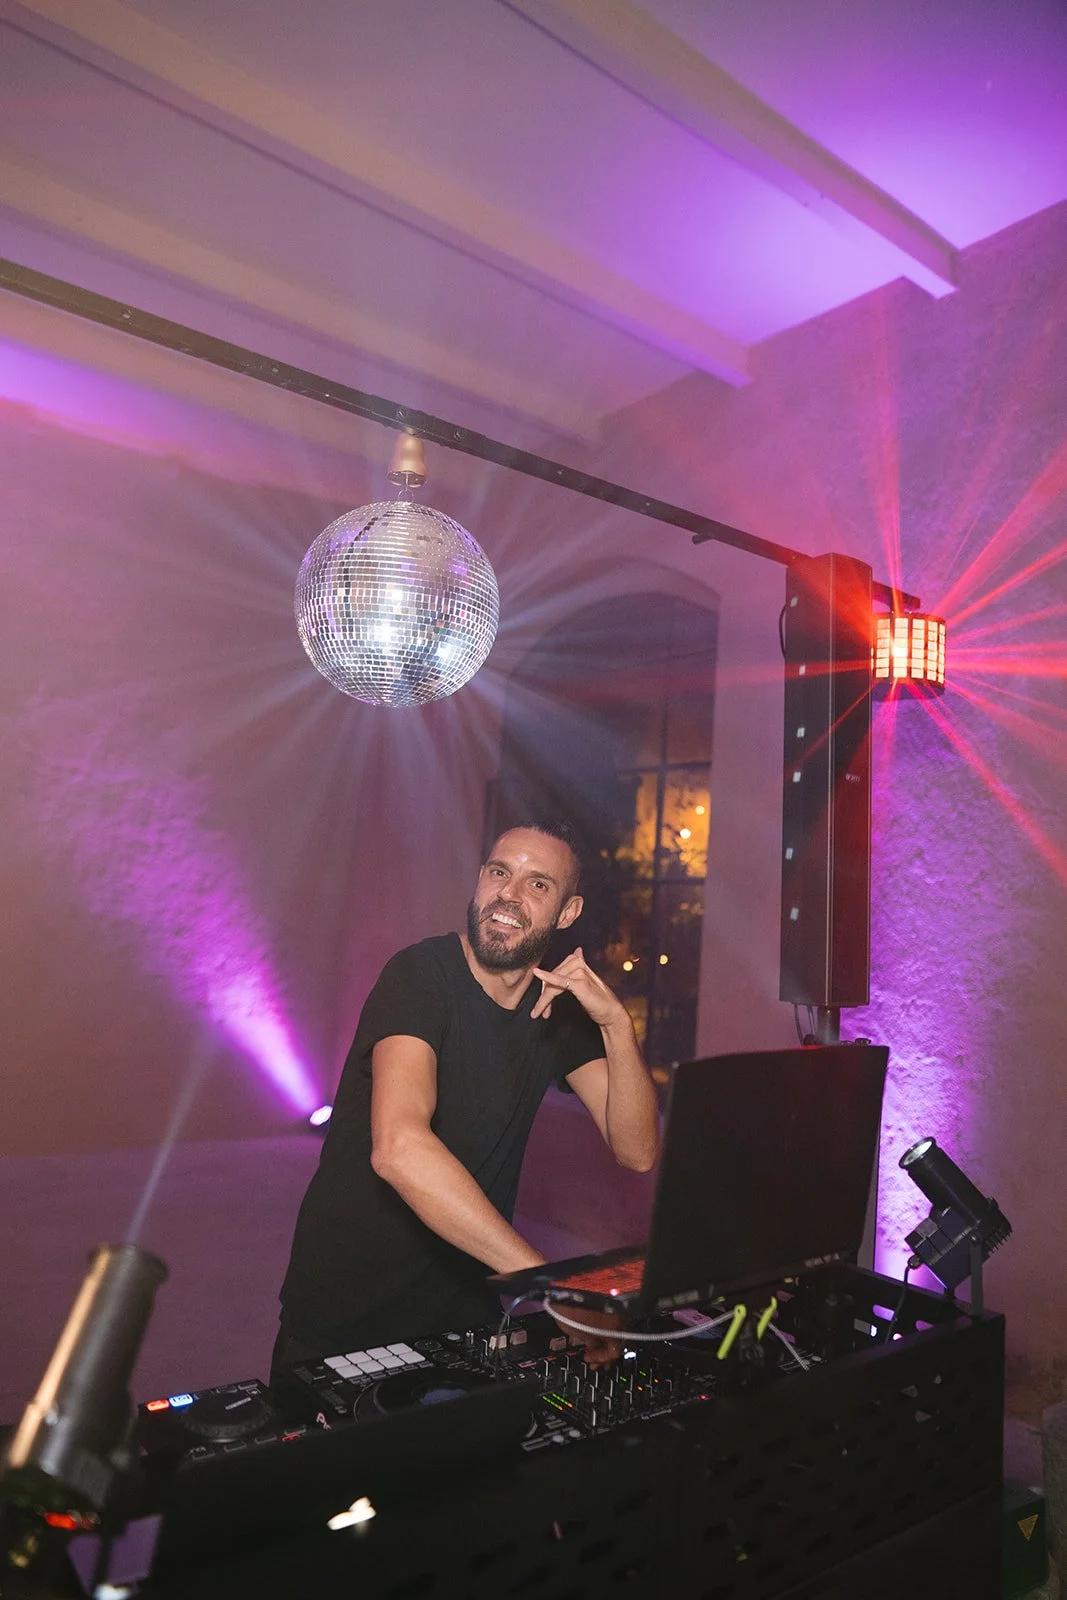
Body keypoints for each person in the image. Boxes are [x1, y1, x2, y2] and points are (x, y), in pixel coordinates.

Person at [274, 821, 659, 1381]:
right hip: (347, 1312)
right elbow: (399, 1149)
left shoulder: (556, 1007)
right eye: (500, 873)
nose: (509, 894)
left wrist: (617, 1026)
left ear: (567, 912)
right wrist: (551, 1286)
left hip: (465, 1311)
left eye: (538, 885)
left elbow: (637, 1150)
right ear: (481, 880)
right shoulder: (420, 975)